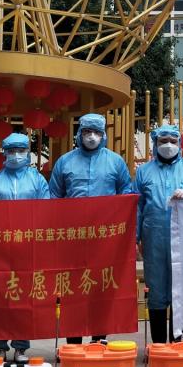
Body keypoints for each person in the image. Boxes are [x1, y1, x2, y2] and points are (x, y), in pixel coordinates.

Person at [49, 113, 134, 343]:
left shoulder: (115, 162)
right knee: (73, 286)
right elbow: (54, 196)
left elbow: (126, 195)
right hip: (72, 236)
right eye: (87, 132)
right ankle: (73, 342)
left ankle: (99, 339)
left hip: (105, 237)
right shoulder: (64, 162)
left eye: (96, 132)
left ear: (103, 134)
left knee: (101, 285)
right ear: (79, 133)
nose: (92, 137)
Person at [134, 124, 183, 344]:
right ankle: (158, 344)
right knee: (156, 288)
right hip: (153, 236)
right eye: (163, 141)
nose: (168, 145)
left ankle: (177, 342)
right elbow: (137, 206)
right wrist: (134, 238)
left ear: (180, 144)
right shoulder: (144, 171)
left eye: (173, 141)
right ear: (155, 143)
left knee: (179, 287)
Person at [0, 131, 50, 360]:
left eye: (21, 151)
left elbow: (45, 210)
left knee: (24, 297)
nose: (16, 155)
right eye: (11, 151)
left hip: (28, 245)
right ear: (5, 153)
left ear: (28, 153)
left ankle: (21, 346)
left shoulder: (37, 180)